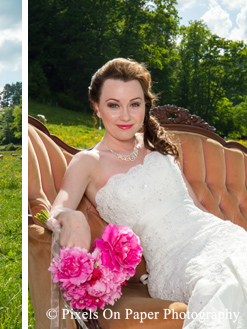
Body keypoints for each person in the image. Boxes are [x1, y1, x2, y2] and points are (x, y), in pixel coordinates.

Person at [51, 58, 246, 328]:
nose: (125, 116)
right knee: (222, 281)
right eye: (113, 105)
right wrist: (71, 216)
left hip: (217, 237)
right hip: (172, 261)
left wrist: (225, 235)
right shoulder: (88, 162)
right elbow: (57, 209)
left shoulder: (159, 150)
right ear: (96, 107)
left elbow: (197, 210)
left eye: (134, 104)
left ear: (145, 105)